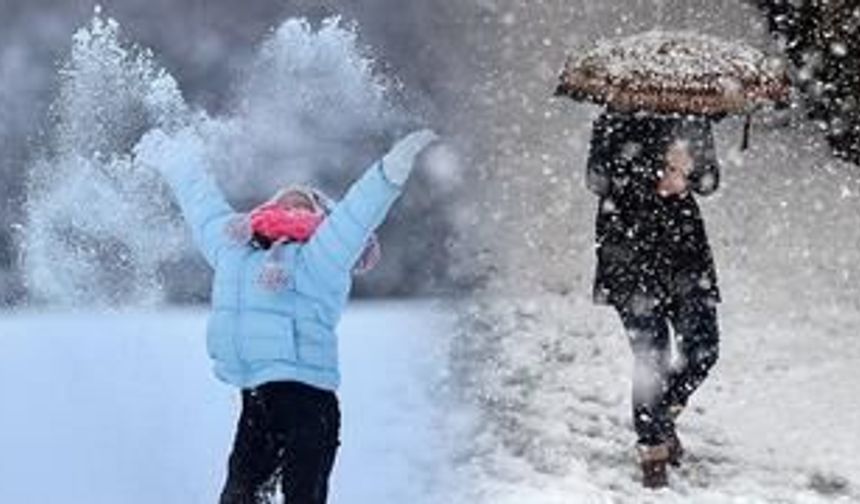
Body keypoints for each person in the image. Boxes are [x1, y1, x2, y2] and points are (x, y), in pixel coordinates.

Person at [135, 126, 438, 503]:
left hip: (309, 404)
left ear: (323, 217)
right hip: (257, 400)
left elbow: (357, 213)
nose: (294, 204)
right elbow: (204, 208)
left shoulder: (322, 255)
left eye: (306, 203)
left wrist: (390, 170)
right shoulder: (235, 251)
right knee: (238, 496)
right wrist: (177, 160)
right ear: (266, 210)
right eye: (285, 201)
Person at [585, 111, 721, 488]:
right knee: (652, 357)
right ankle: (653, 449)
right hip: (629, 253)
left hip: (685, 255)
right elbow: (597, 178)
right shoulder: (614, 118)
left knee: (704, 349)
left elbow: (710, 181)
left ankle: (661, 417)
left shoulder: (693, 116)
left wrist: (690, 170)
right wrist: (656, 171)